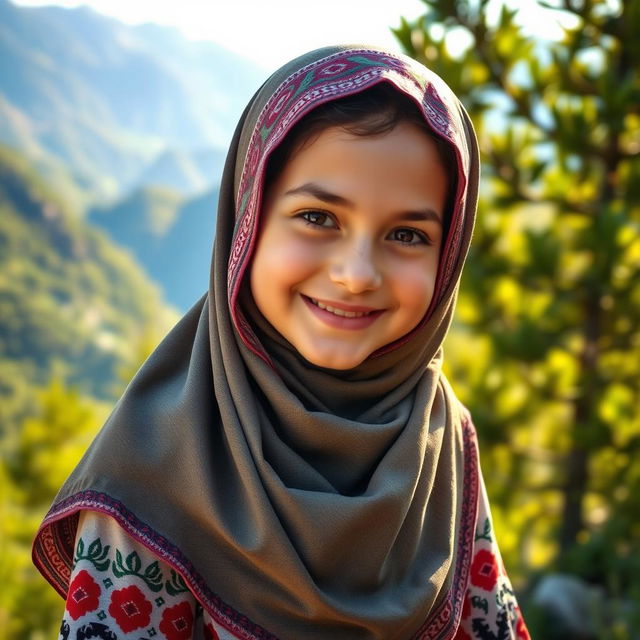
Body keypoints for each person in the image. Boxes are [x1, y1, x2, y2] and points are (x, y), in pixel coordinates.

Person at [33, 45, 530, 640]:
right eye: (319, 217)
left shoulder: (439, 435)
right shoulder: (156, 471)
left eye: (407, 233)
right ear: (248, 223)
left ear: (447, 255)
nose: (357, 273)